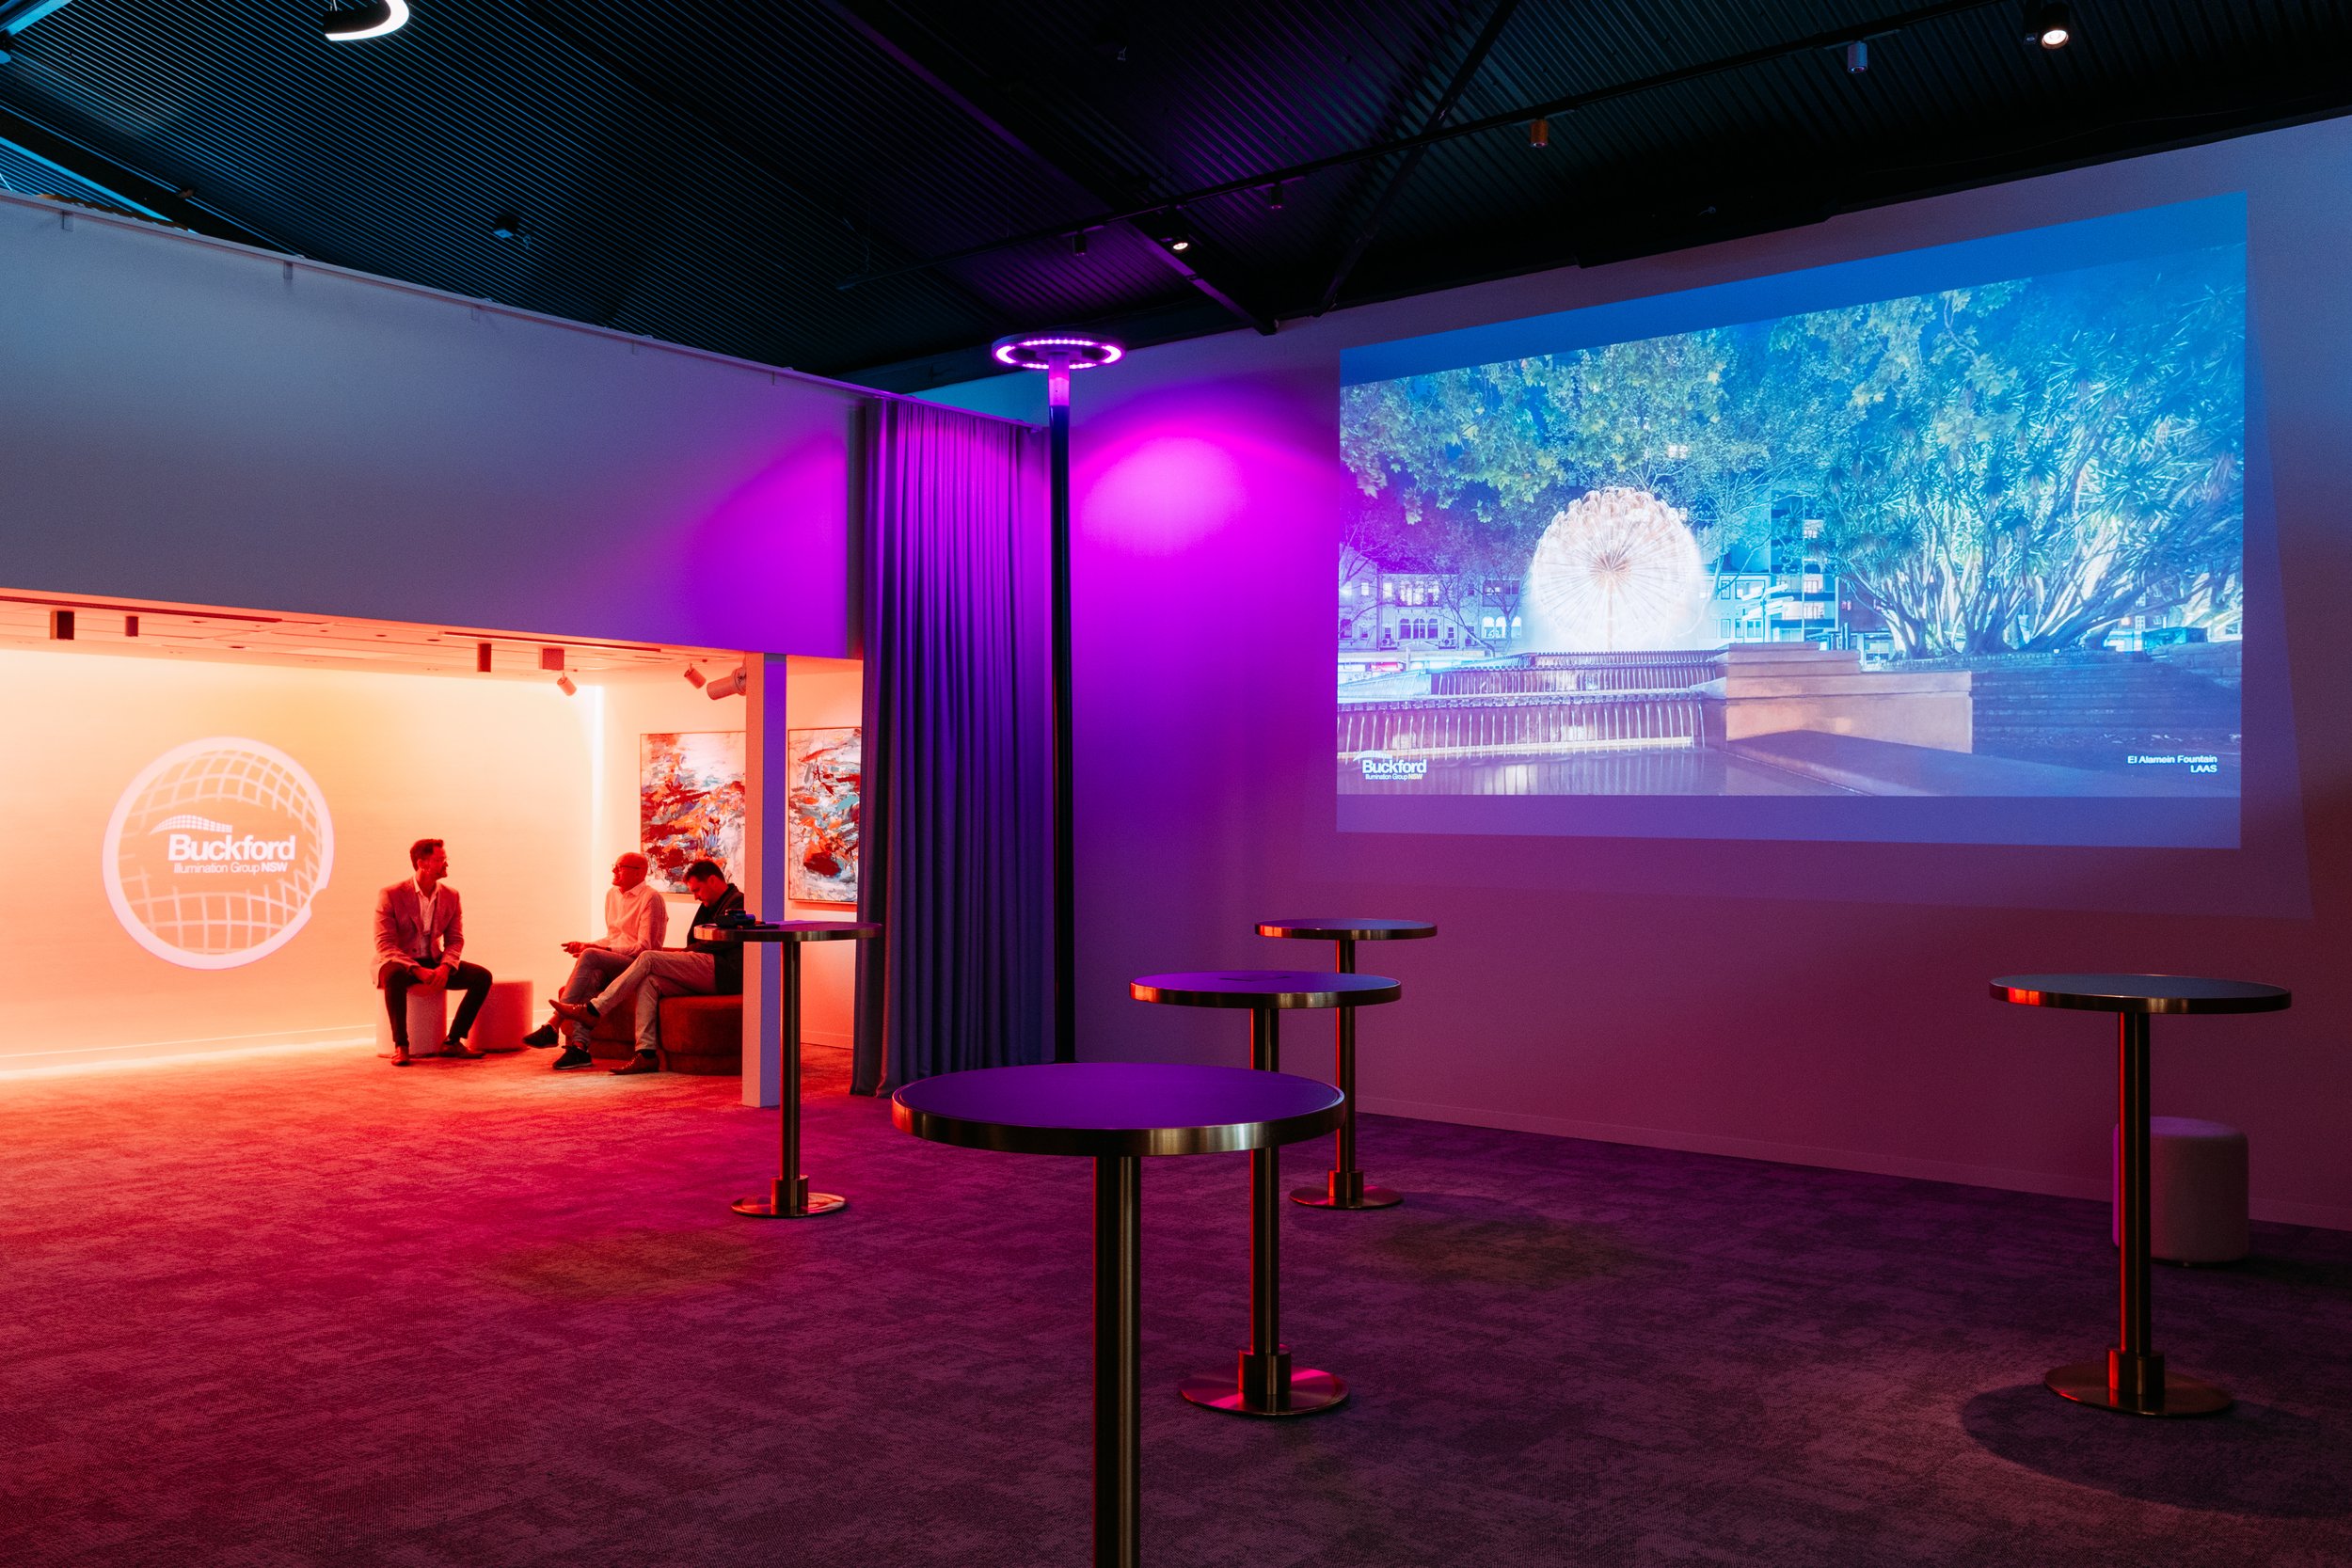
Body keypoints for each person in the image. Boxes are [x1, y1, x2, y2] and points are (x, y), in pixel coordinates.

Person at [549, 860, 748, 1075]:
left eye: (697, 890)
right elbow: (693, 938)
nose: (696, 897)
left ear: (712, 880)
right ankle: (646, 1053)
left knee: (649, 957)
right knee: (650, 981)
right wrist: (689, 953)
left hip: (725, 971)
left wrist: (687, 954)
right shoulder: (709, 904)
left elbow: (720, 943)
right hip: (705, 965)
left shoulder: (738, 902)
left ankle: (594, 1009)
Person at [521, 852, 669, 1050]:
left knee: (590, 956)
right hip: (615, 960)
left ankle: (553, 1023)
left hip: (639, 965)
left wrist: (599, 950)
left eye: (620, 867)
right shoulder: (612, 895)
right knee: (591, 973)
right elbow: (613, 937)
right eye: (614, 865)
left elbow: (646, 947)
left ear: (638, 873)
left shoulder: (651, 898)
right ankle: (580, 1047)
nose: (613, 870)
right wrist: (587, 944)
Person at [373, 838, 494, 1067]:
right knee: (395, 976)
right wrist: (416, 969)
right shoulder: (391, 894)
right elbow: (385, 944)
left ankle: (453, 1041)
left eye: (445, 859)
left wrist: (446, 966)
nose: (446, 864)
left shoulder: (451, 895)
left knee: (482, 976)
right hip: (397, 961)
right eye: (440, 860)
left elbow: (455, 940)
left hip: (434, 960)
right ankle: (401, 1046)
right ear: (423, 863)